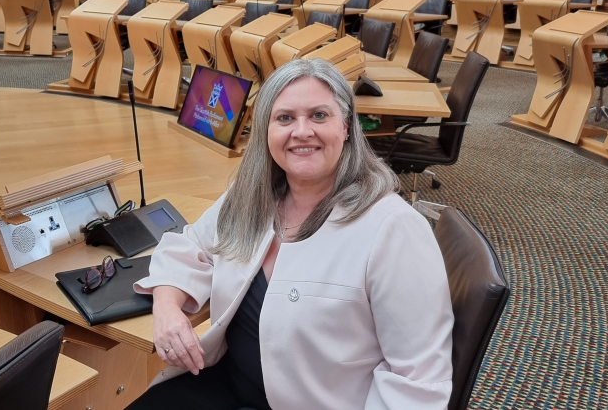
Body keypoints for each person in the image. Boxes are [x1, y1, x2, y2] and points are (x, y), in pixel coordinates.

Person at [127, 59, 454, 410]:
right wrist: (166, 306)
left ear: (346, 127)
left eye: (318, 115)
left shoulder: (394, 230)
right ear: (266, 130)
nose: (301, 131)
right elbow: (189, 245)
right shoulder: (255, 195)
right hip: (228, 382)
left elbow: (417, 383)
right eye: (284, 118)